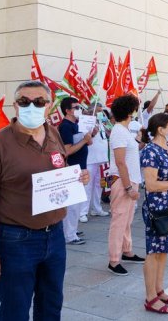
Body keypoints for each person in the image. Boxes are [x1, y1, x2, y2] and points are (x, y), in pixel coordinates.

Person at [0, 80, 90, 320]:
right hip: (15, 241)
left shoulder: (53, 133)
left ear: (49, 106)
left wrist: (76, 178)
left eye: (39, 102)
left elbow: (60, 169)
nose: (32, 106)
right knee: (14, 311)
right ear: (15, 106)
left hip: (55, 237)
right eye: (24, 102)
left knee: (51, 306)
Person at [140, 113, 168, 314]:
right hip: (158, 208)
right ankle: (150, 297)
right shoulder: (150, 151)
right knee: (154, 251)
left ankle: (159, 289)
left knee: (164, 250)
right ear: (160, 129)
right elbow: (150, 184)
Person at [107, 95, 146, 276]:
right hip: (123, 182)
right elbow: (120, 162)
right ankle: (114, 260)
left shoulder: (125, 130)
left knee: (127, 220)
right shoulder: (118, 131)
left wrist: (140, 142)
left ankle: (127, 250)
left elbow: (130, 154)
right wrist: (129, 187)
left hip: (131, 180)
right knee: (119, 221)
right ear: (130, 111)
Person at [58, 97, 94, 245]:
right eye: (76, 107)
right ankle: (69, 235)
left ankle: (71, 229)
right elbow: (67, 151)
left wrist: (89, 136)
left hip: (81, 167)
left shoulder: (77, 124)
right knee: (72, 205)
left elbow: (88, 142)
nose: (79, 109)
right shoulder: (65, 126)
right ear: (67, 110)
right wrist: (84, 141)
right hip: (72, 168)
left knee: (78, 202)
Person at [82, 103, 110, 220]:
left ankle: (96, 208)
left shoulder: (101, 123)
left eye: (101, 111)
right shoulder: (86, 122)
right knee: (87, 186)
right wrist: (92, 132)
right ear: (90, 112)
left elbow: (106, 136)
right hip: (90, 159)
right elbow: (85, 139)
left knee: (99, 185)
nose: (101, 113)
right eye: (98, 111)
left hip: (102, 159)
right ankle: (82, 212)